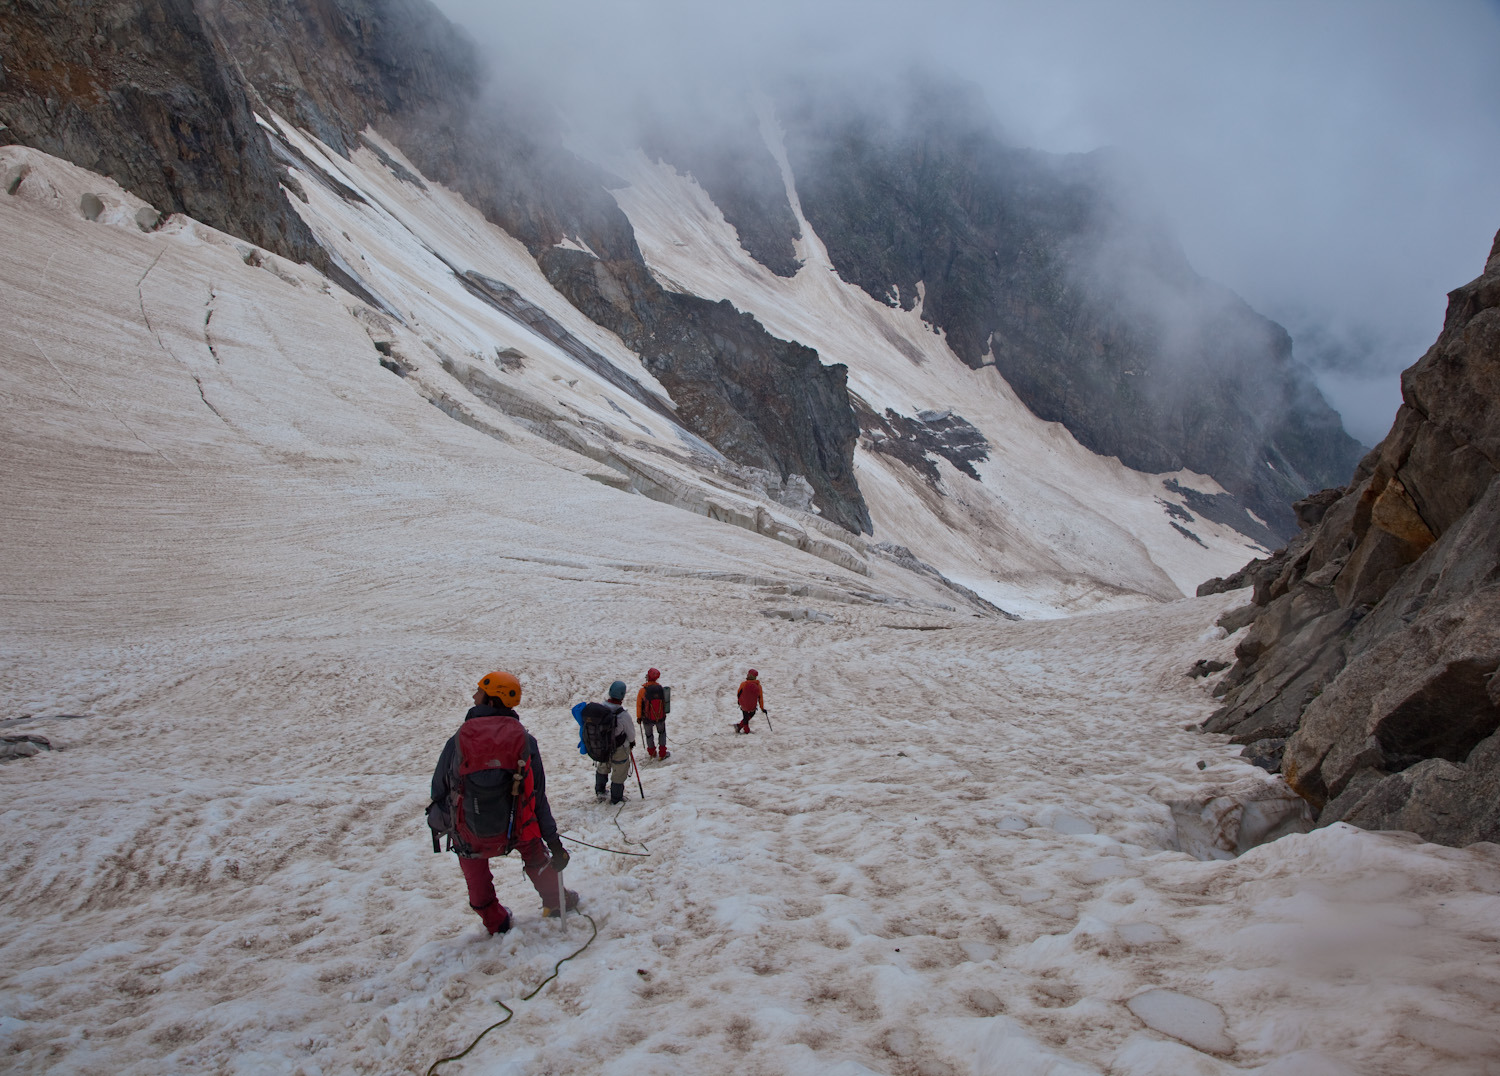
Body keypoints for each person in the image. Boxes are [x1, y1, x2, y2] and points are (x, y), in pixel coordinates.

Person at [428, 671, 578, 934]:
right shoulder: (525, 741)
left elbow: (438, 788)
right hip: (518, 825)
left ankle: (495, 921)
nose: (475, 695)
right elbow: (537, 796)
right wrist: (554, 844)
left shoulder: (459, 739)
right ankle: (557, 902)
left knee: (473, 865)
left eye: (480, 691)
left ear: (492, 698)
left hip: (469, 831)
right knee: (534, 852)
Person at [591, 680, 636, 803]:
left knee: (602, 767)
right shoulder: (623, 715)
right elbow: (631, 735)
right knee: (619, 772)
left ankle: (600, 791)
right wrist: (631, 743)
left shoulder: (600, 709)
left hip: (602, 747)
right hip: (619, 748)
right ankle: (616, 798)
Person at [636, 667, 670, 759]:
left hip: (647, 718)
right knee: (662, 733)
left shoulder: (642, 690)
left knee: (649, 735)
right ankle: (662, 753)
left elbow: (639, 705)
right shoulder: (660, 689)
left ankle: (652, 752)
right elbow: (665, 702)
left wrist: (639, 717)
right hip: (660, 717)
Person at [735, 668, 765, 734]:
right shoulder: (758, 686)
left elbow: (739, 693)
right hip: (752, 706)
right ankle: (742, 728)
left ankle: (743, 729)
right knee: (749, 715)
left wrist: (739, 701)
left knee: (745, 716)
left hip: (743, 704)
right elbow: (760, 698)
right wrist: (762, 708)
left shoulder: (743, 684)